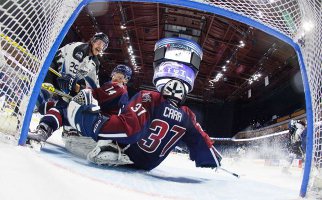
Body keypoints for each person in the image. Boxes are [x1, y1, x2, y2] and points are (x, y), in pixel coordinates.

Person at [66, 37, 222, 170]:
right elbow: (204, 143)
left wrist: (89, 121)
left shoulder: (151, 98)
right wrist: (211, 159)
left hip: (130, 153)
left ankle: (109, 145)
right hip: (150, 164)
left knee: (112, 123)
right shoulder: (188, 116)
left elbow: (130, 129)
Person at [27, 32, 109, 144]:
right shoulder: (80, 48)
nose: (100, 47)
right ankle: (20, 118)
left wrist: (100, 99)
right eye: (99, 43)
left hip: (65, 79)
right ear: (93, 41)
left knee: (71, 103)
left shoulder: (95, 62)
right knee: (46, 91)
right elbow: (67, 73)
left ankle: (50, 128)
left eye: (103, 46)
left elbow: (94, 85)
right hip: (52, 71)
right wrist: (71, 88)